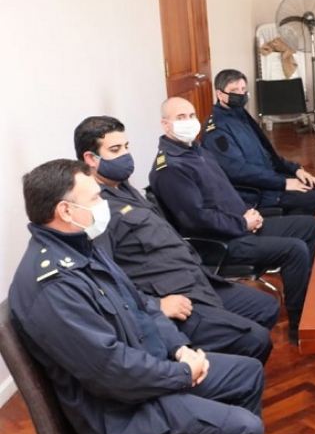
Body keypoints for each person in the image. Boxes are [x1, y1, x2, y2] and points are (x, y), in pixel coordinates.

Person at [8, 159, 286, 434]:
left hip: (149, 373)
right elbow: (110, 373)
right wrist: (181, 375)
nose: (103, 201)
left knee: (247, 373)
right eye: (95, 196)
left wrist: (179, 349)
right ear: (65, 210)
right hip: (116, 410)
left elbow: (141, 306)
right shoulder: (54, 286)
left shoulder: (81, 246)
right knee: (244, 428)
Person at [74, 115, 279, 364]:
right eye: (115, 149)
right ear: (90, 159)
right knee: (255, 340)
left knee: (266, 307)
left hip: (197, 278)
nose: (126, 155)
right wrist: (155, 304)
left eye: (126, 147)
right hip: (174, 297)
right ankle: (216, 378)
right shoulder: (96, 208)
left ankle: (227, 369)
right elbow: (105, 278)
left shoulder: (124, 187)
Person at [148, 97, 315, 345]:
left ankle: (304, 292)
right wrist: (242, 223)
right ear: (166, 125)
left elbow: (224, 193)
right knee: (295, 249)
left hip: (241, 225)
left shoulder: (197, 151)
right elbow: (196, 220)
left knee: (309, 226)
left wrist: (250, 212)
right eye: (181, 118)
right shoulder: (171, 169)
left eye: (192, 115)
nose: (189, 122)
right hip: (222, 242)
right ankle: (299, 324)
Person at [202, 69, 315, 217]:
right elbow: (238, 171)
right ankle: (286, 231)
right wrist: (283, 183)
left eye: (243, 89)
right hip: (251, 191)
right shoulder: (217, 129)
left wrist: (296, 170)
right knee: (310, 199)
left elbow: (268, 155)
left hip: (268, 178)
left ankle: (295, 224)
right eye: (234, 90)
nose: (240, 94)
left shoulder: (240, 114)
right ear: (219, 94)